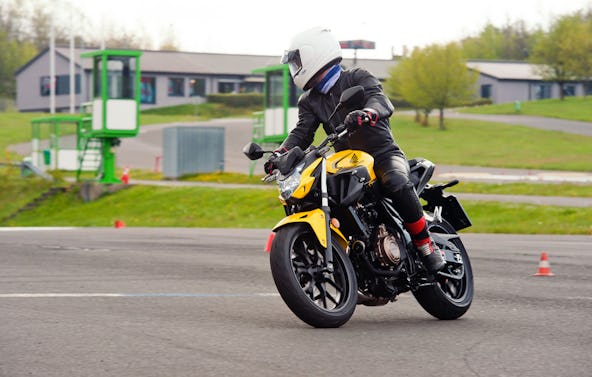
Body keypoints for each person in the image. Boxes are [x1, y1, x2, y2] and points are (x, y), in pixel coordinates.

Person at [265, 26, 445, 273]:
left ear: (314, 54)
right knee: (319, 194)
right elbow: (302, 132)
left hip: (382, 154)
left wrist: (368, 113)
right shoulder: (309, 100)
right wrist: (280, 154)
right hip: (346, 161)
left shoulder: (357, 77)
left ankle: (426, 246)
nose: (295, 68)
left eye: (297, 61)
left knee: (395, 182)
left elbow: (381, 100)